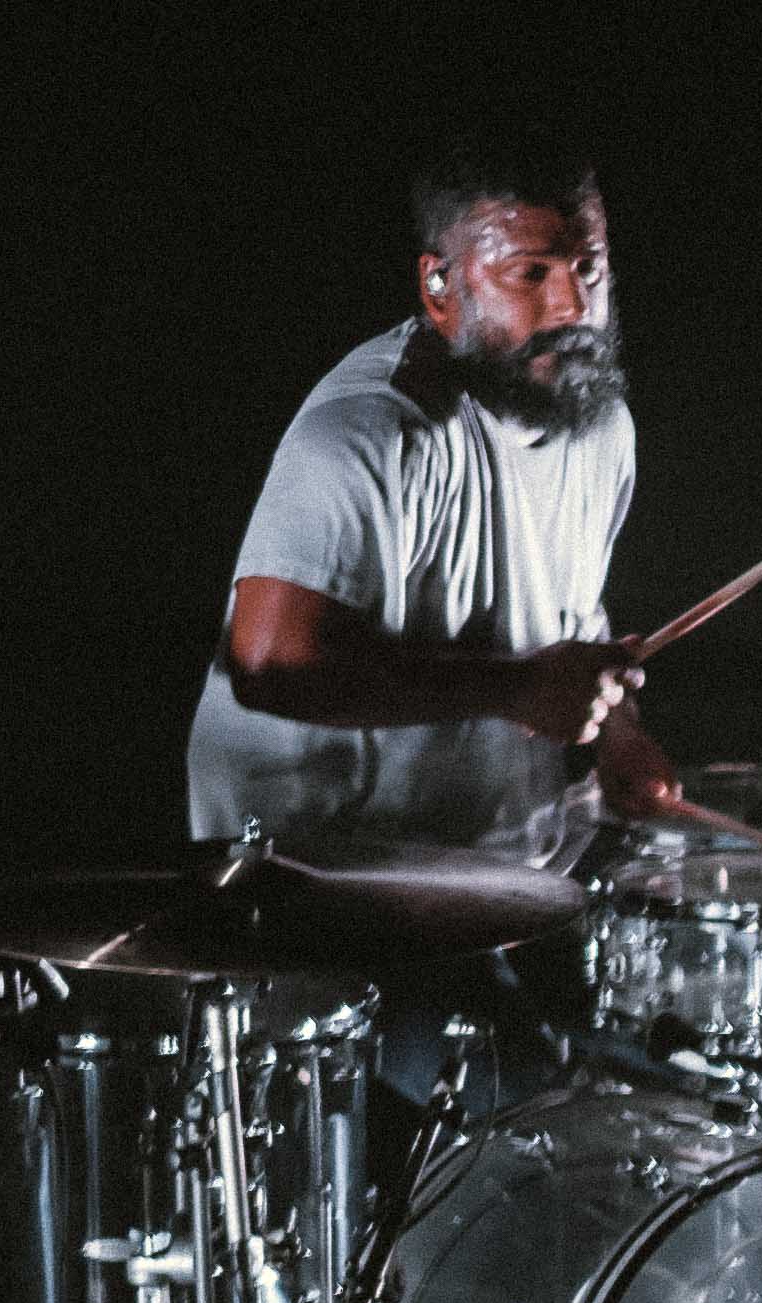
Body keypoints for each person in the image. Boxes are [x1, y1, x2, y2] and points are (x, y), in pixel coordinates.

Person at [185, 143, 676, 853]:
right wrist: (515, 689)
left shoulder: (601, 429)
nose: (573, 307)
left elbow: (572, 622)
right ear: (439, 287)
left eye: (588, 269)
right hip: (307, 863)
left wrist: (618, 735)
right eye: (530, 273)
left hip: (488, 863)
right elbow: (269, 666)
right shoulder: (369, 430)